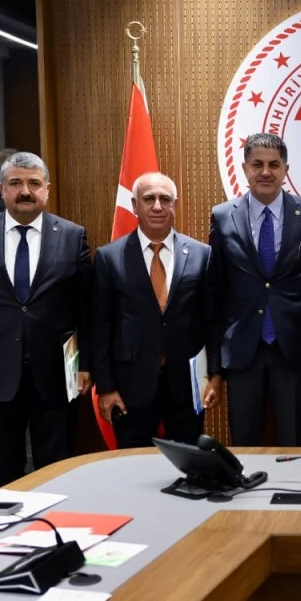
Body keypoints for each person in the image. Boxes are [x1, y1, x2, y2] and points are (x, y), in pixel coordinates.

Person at [0, 151, 92, 491]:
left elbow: (86, 308)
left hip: (57, 376)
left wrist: (85, 364)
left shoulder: (73, 236)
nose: (25, 191)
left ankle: (54, 526)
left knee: (57, 473)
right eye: (15, 183)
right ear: (1, 189)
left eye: (34, 183)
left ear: (47, 189)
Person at [203, 133, 301, 446]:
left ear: (286, 170)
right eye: (257, 164)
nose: (265, 172)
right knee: (244, 443)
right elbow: (214, 293)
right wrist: (214, 366)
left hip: (293, 349)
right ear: (245, 168)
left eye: (274, 164)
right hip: (242, 349)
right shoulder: (223, 216)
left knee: (294, 442)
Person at [91, 172, 211, 448]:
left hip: (186, 386)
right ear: (135, 205)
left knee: (189, 462)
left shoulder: (201, 254)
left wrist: (214, 376)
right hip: (130, 387)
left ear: (174, 205)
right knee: (132, 465)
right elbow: (100, 328)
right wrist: (106, 388)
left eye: (165, 199)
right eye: (149, 199)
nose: (157, 206)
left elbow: (211, 320)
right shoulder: (109, 258)